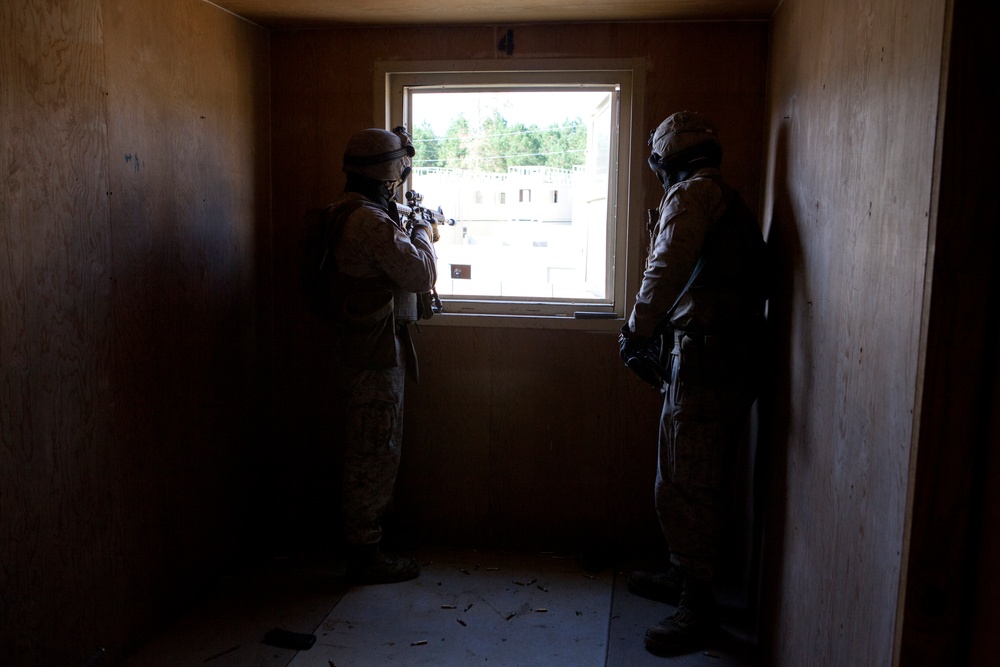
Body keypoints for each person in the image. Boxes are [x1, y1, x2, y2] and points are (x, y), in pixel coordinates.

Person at [618, 111, 768, 654]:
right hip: (714, 356)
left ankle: (698, 605)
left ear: (666, 160)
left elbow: (666, 267)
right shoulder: (720, 196)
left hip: (707, 361)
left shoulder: (692, 196)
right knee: (686, 474)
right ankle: (687, 577)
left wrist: (636, 329)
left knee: (687, 481)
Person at [322, 126, 438, 584]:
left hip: (363, 347)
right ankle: (364, 552)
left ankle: (371, 538)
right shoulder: (368, 221)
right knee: (374, 447)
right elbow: (419, 273)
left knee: (374, 443)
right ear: (390, 173)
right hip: (372, 356)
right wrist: (425, 234)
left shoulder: (350, 212)